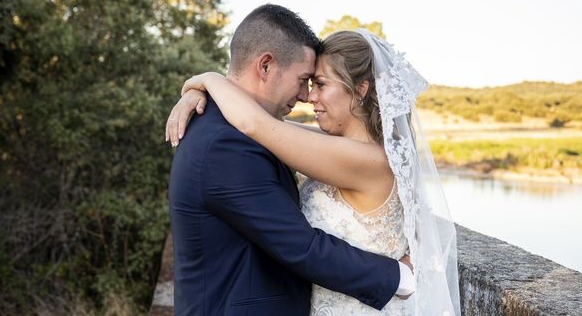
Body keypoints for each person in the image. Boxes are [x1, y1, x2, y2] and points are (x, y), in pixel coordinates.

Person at [168, 23, 461, 315]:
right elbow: (268, 127)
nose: (309, 97)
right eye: (307, 82)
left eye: (319, 83)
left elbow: (257, 125)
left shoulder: (369, 160)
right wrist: (204, 94)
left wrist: (209, 80)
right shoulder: (330, 148)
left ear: (360, 90)